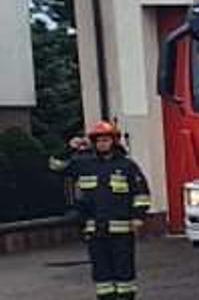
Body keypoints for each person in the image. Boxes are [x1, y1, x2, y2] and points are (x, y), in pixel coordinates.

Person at [49, 121, 151, 299]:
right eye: (98, 140)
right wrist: (69, 148)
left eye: (106, 140)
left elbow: (141, 193)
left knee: (124, 271)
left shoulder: (127, 166)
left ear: (114, 141)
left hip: (122, 231)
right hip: (94, 230)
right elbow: (55, 166)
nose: (102, 143)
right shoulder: (83, 164)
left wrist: (138, 217)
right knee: (101, 273)